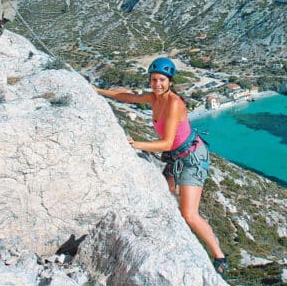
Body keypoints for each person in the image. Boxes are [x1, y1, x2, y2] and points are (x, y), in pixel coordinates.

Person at [95, 57, 229, 277]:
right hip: (176, 156)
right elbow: (128, 97)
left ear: (170, 82)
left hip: (192, 158)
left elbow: (166, 143)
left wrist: (136, 144)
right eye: (154, 79)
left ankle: (220, 256)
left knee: (189, 214)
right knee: (166, 198)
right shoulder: (154, 97)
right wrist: (98, 91)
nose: (157, 84)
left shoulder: (174, 103)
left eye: (162, 80)